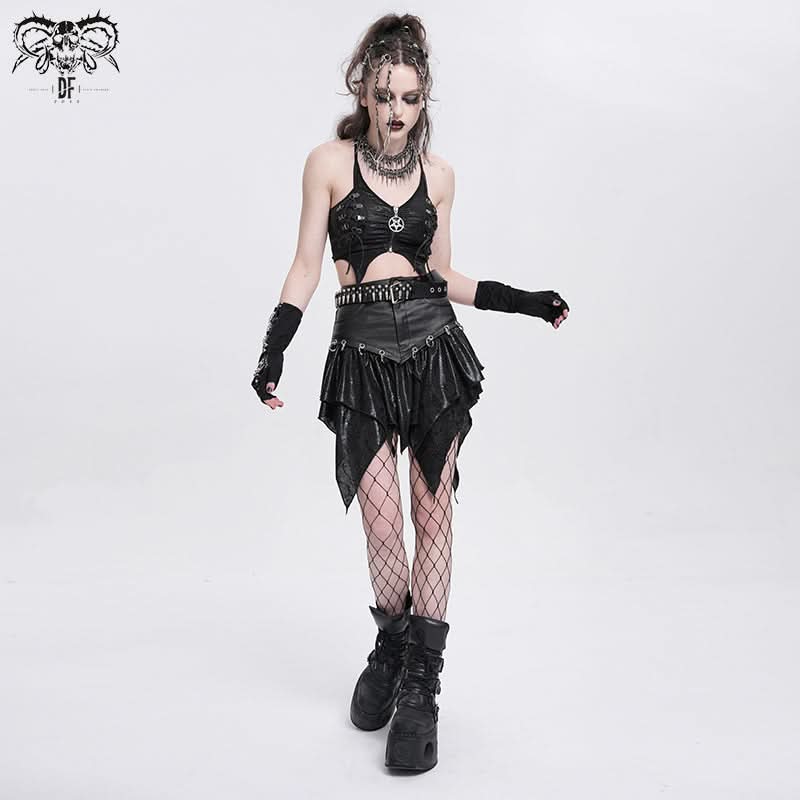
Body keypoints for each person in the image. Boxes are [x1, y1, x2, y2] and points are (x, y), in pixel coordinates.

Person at [249, 13, 569, 773]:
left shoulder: (441, 176)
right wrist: (273, 350)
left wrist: (525, 300)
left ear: (425, 100)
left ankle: (421, 684)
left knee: (433, 512)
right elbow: (306, 267)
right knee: (384, 529)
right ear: (363, 90)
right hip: (360, 356)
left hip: (433, 353)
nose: (397, 113)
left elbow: (444, 275)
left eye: (412, 99)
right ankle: (392, 645)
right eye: (386, 96)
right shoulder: (327, 163)